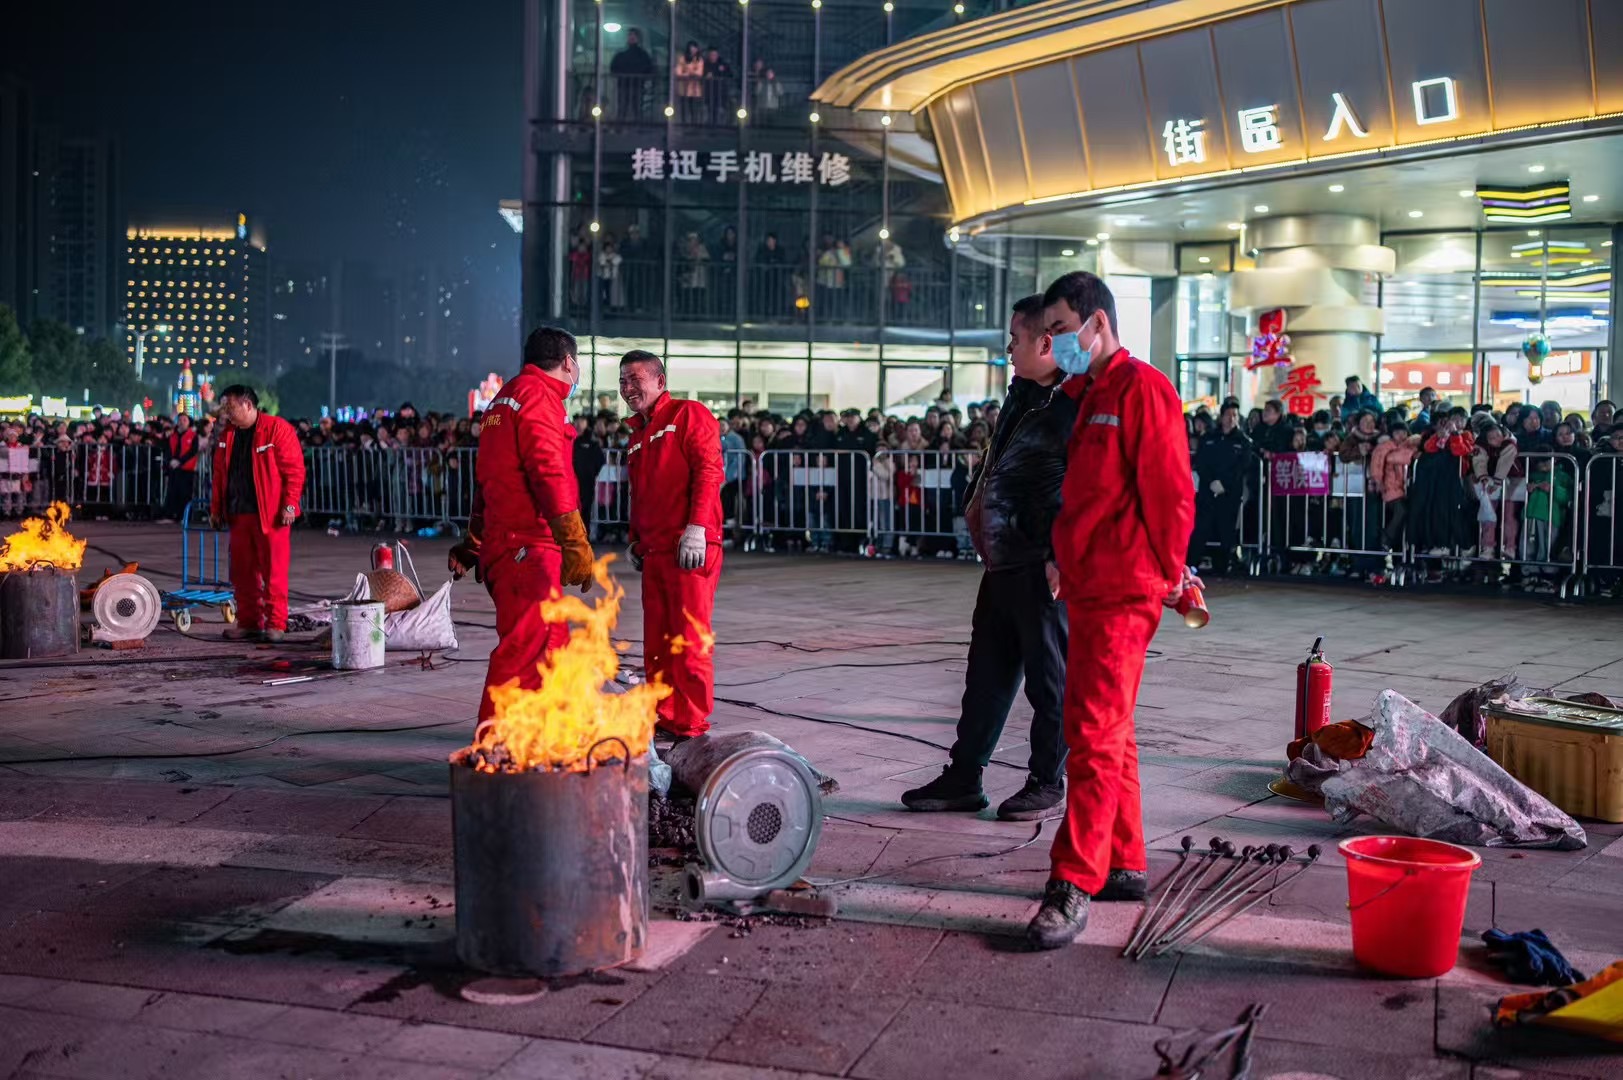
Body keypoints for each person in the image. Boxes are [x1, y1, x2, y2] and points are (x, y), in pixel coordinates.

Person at [1025, 271, 1195, 950]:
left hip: (1126, 586)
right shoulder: (1088, 393)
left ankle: (1072, 880)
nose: (1051, 343)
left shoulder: (1141, 390)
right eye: (1044, 333)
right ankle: (1122, 860)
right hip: (1092, 583)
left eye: (1059, 329)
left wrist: (1165, 575)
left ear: (1096, 323)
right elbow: (1090, 499)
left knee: (1091, 732)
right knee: (1106, 727)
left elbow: (1170, 494)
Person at [901, 295, 1077, 820]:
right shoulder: (1022, 395)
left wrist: (1061, 556)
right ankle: (964, 775)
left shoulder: (1073, 404)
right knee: (986, 674)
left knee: (1051, 680)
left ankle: (1048, 779)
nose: (1008, 349)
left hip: (1044, 563)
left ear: (1046, 342)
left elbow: (1088, 487)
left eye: (1015, 340)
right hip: (1002, 558)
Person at [449, 327, 596, 734]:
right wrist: (574, 541)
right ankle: (495, 745)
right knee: (527, 649)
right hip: (529, 547)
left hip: (506, 544)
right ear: (569, 362)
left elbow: (487, 479)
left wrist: (474, 543)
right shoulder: (539, 398)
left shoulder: (504, 398)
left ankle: (550, 735)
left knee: (552, 647)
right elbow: (548, 472)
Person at [620, 350, 724, 740]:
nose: (628, 388)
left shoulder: (688, 414)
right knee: (659, 642)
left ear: (660, 381)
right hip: (656, 551)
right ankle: (666, 717)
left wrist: (697, 527)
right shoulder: (638, 434)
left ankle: (691, 724)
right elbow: (639, 493)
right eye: (623, 382)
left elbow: (709, 469)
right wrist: (636, 540)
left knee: (689, 639)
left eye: (635, 379)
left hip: (689, 548)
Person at [210, 386, 305, 643]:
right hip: (239, 513)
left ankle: (276, 624)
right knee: (242, 572)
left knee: (273, 571)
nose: (226, 413)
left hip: (271, 515)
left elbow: (294, 471)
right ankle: (250, 622)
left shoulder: (276, 429)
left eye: (230, 408)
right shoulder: (227, 435)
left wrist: (289, 505)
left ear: (248, 405)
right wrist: (216, 509)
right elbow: (219, 476)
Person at [1188, 403, 1251, 576]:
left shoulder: (1242, 441)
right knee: (1201, 528)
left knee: (1226, 530)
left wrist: (1224, 483)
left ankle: (1222, 567)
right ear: (1221, 417)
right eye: (1228, 415)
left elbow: (1242, 466)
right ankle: (1191, 565)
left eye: (1235, 415)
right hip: (1208, 491)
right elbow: (1201, 462)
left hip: (1229, 493)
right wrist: (1211, 481)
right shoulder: (1209, 437)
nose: (1231, 419)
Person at [159, 413, 199, 522]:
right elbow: (166, 448)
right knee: (172, 492)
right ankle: (170, 515)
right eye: (180, 420)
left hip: (187, 469)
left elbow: (193, 451)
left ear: (189, 422)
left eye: (184, 420)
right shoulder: (172, 435)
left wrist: (180, 461)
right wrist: (170, 461)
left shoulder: (193, 435)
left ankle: (184, 517)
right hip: (174, 468)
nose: (181, 422)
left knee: (185, 494)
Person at [610, 29, 655, 121]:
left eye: (634, 35)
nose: (631, 37)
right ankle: (621, 124)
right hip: (624, 84)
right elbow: (613, 68)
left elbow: (649, 68)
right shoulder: (621, 54)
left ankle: (636, 125)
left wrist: (643, 78)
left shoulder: (643, 54)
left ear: (638, 38)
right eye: (630, 35)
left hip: (637, 85)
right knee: (622, 106)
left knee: (637, 107)